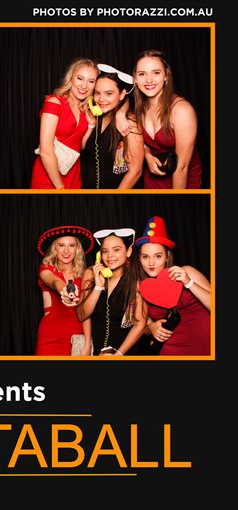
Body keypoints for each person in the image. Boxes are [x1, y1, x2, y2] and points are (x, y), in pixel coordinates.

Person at [133, 216, 210, 355]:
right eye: (145, 257)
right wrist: (151, 328)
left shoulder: (187, 272)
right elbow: (141, 325)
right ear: (139, 259)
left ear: (167, 256)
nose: (151, 263)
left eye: (158, 256)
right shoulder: (141, 287)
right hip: (170, 350)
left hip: (205, 345)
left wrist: (188, 282)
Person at [132, 49, 202, 189]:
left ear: (166, 76)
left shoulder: (181, 110)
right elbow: (144, 143)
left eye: (156, 73)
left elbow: (182, 166)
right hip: (153, 177)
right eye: (142, 74)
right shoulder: (140, 108)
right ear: (135, 78)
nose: (149, 80)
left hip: (182, 178)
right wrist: (147, 155)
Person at [76, 228, 146, 355]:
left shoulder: (136, 281)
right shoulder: (91, 273)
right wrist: (98, 287)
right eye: (105, 251)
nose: (110, 256)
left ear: (128, 251)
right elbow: (81, 315)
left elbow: (139, 324)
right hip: (97, 353)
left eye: (116, 250)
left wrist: (118, 355)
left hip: (124, 353)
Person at [30, 58, 98, 189]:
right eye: (80, 78)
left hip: (73, 174)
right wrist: (60, 187)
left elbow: (80, 146)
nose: (84, 86)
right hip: (48, 175)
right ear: (71, 78)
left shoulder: (85, 110)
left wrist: (90, 125)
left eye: (91, 81)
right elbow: (45, 151)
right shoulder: (54, 102)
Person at [80, 64, 145, 189]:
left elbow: (135, 171)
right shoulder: (94, 116)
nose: (101, 99)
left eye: (109, 93)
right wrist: (91, 124)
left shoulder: (129, 122)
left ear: (122, 94)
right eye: (97, 93)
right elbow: (81, 148)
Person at [34, 225, 93, 355]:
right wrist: (64, 289)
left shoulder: (84, 275)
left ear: (77, 249)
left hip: (76, 338)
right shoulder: (46, 269)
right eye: (61, 245)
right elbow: (53, 281)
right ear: (55, 248)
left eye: (71, 245)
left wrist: (87, 343)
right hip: (50, 337)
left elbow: (85, 313)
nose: (66, 251)